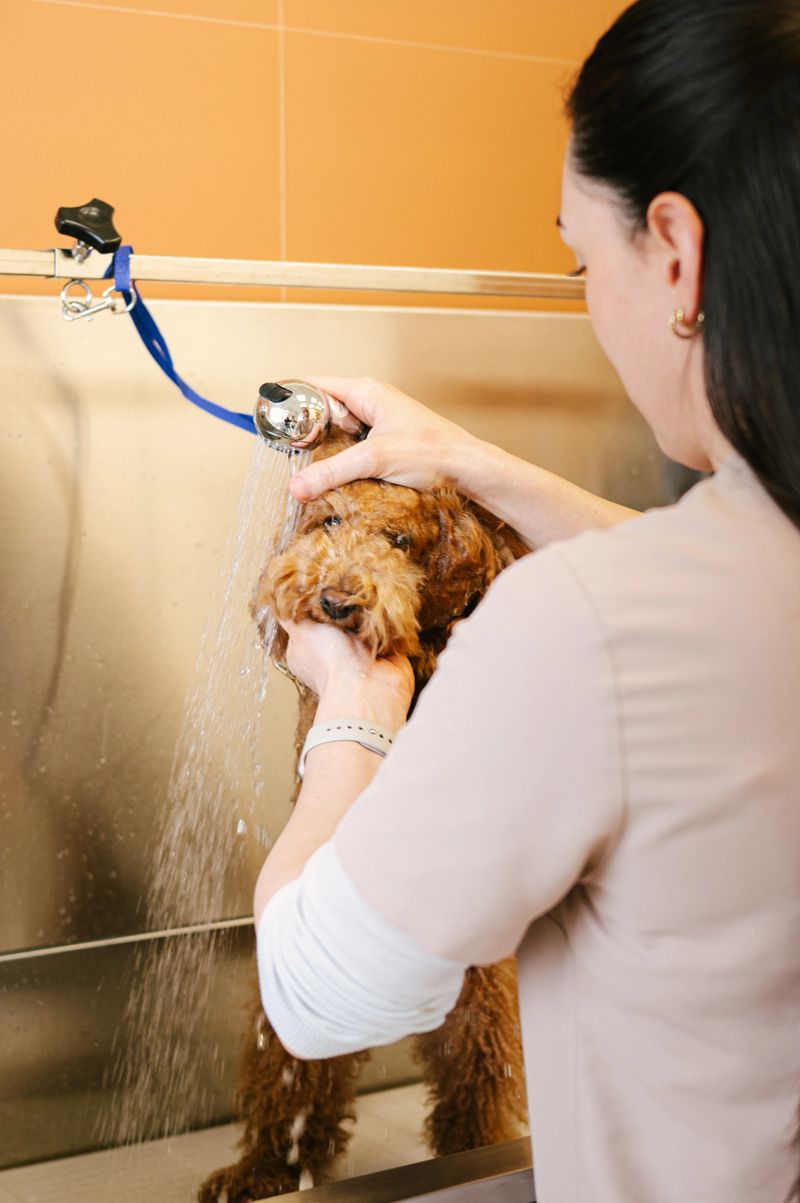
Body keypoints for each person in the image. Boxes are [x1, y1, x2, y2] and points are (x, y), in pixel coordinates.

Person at [253, 2, 800, 1199]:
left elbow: (316, 991)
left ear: (673, 250)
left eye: (577, 263)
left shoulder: (581, 627)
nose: (586, 301)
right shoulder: (739, 583)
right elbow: (717, 583)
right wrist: (479, 467)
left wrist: (355, 701)